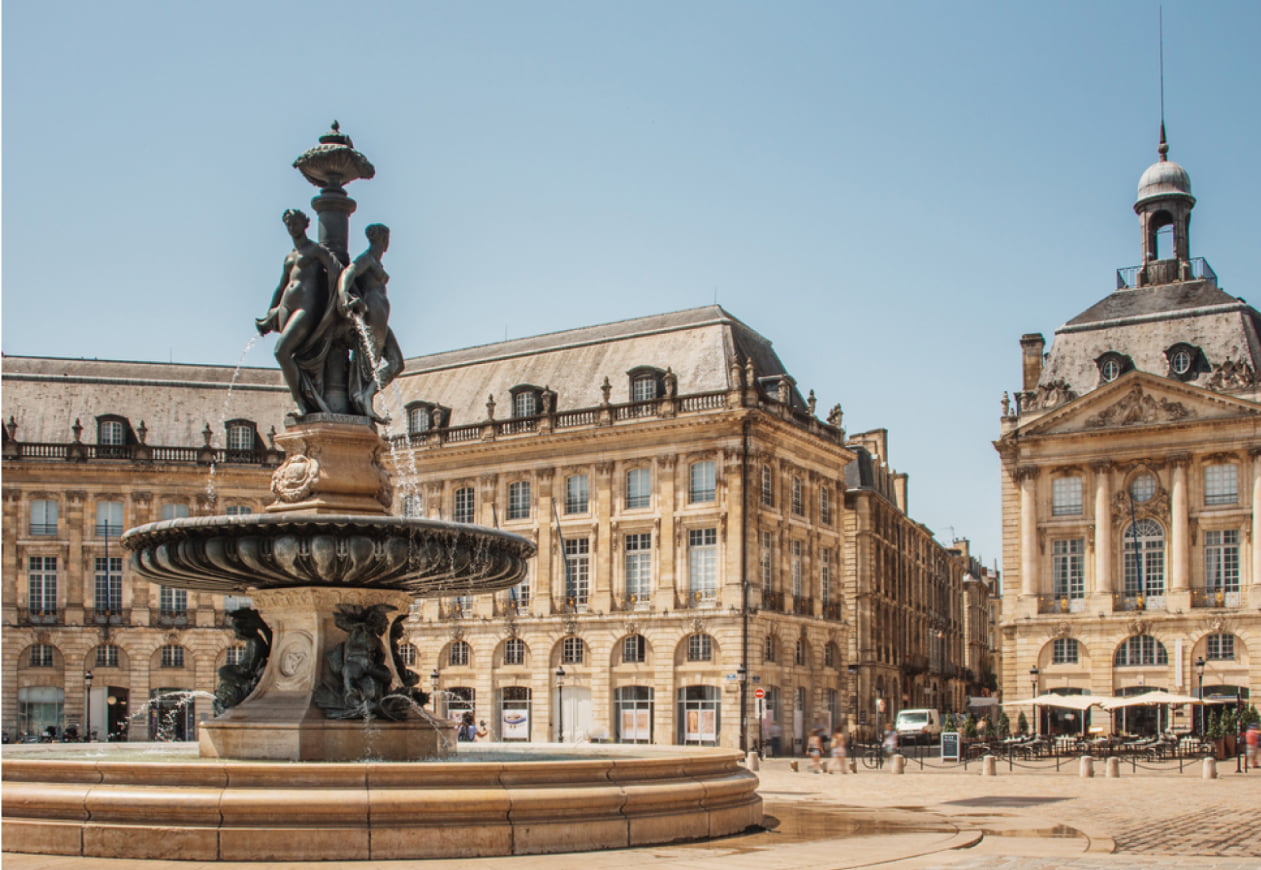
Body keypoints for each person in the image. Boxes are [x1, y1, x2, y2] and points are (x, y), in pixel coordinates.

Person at [256, 208, 345, 417]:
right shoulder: (290, 257)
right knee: (290, 355)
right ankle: (303, 400)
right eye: (287, 223)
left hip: (307, 308)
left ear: (305, 224)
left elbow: (338, 270)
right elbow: (281, 287)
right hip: (287, 307)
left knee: (281, 351)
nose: (291, 227)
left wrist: (346, 298)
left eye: (294, 222)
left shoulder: (316, 251)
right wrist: (271, 312)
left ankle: (303, 403)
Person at [337, 223, 404, 422]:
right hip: (373, 310)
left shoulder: (376, 262)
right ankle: (362, 398)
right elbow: (348, 273)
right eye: (386, 238)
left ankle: (367, 394)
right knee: (369, 360)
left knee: (397, 363)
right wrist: (343, 295)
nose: (387, 243)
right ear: (383, 240)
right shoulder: (367, 258)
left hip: (381, 313)